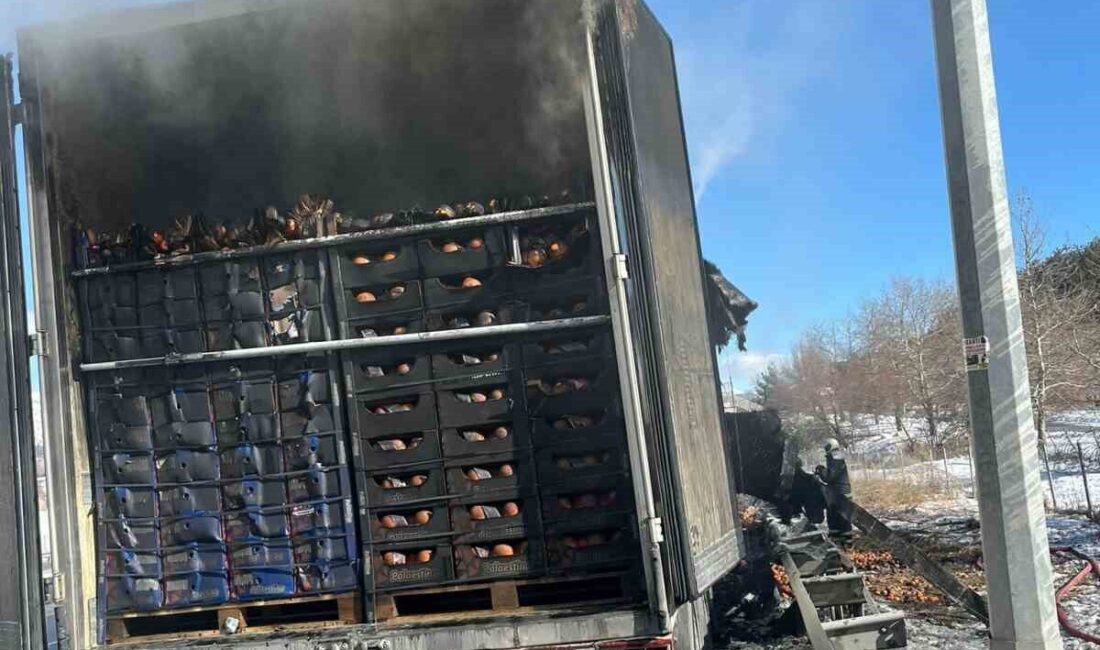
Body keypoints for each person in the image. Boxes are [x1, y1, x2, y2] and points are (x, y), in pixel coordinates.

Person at [816, 438, 853, 540]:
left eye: (826, 446)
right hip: (836, 492)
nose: (825, 448)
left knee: (842, 518)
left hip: (841, 493)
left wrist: (821, 470)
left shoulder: (836, 457)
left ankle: (846, 540)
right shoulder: (834, 456)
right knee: (833, 515)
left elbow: (830, 476)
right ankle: (836, 537)